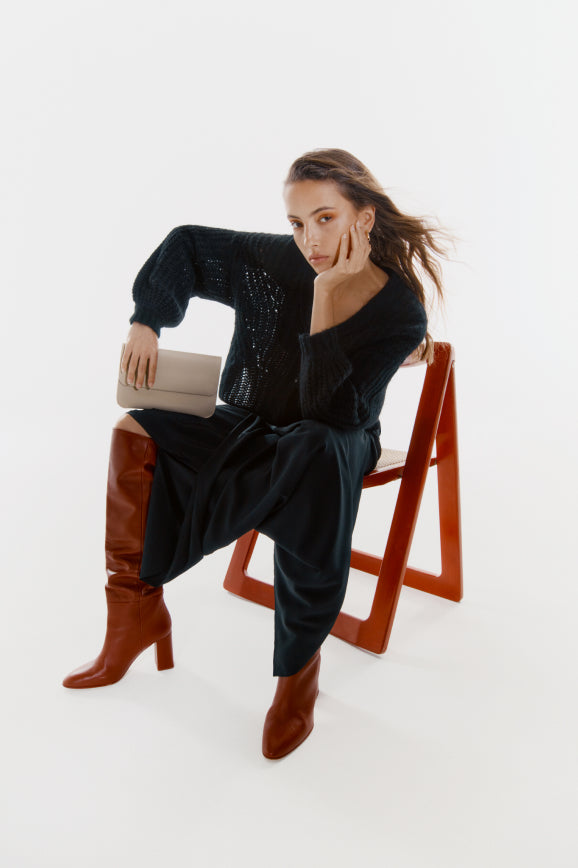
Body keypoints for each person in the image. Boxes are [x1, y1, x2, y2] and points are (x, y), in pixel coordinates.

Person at [62, 148, 452, 759]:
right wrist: (148, 321)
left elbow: (332, 413)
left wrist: (327, 296)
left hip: (337, 440)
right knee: (136, 431)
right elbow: (188, 245)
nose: (309, 239)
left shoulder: (400, 310)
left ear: (365, 218)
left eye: (325, 218)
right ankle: (133, 615)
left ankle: (299, 672)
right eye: (298, 224)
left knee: (311, 451)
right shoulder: (275, 260)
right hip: (254, 425)